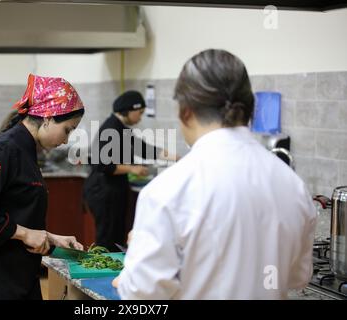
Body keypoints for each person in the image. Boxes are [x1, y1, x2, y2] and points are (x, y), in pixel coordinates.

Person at [113, 49, 316, 299]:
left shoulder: (166, 191)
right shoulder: (292, 185)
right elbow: (298, 277)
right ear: (250, 109)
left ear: (186, 112)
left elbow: (140, 293)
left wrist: (138, 250)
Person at [0, 74, 85, 300]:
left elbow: (14, 209)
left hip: (16, 276)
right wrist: (25, 234)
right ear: (48, 118)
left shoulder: (25, 150)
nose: (65, 140)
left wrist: (50, 238)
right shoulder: (5, 150)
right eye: (67, 130)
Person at [83, 90, 175, 252]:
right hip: (103, 191)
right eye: (139, 113)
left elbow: (142, 148)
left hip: (112, 190)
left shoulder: (119, 127)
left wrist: (172, 156)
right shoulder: (110, 128)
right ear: (129, 110)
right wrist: (134, 168)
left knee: (116, 238)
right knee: (107, 241)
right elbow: (104, 165)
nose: (140, 117)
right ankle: (105, 275)